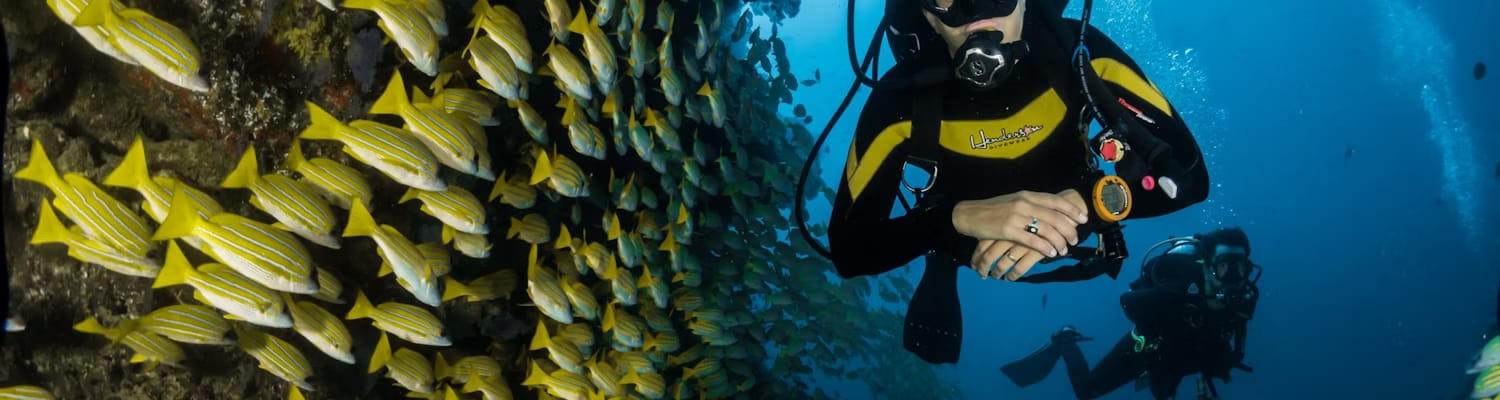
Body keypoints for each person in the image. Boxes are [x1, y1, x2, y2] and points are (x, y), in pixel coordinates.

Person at [824, 0, 1210, 363]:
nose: (975, 9)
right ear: (927, 15)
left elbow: (1189, 176)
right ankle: (942, 259)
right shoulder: (900, 102)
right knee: (943, 248)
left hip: (1075, 206)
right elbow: (850, 250)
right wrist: (952, 220)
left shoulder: (1079, 53)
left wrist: (1089, 205)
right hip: (960, 238)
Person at [1000, 227, 1260, 400]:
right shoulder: (1180, 284)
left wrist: (1220, 362)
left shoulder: (1240, 303)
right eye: (1226, 267)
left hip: (1180, 360)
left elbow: (1232, 344)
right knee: (1086, 391)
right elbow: (1128, 302)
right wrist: (1176, 300)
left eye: (1242, 269)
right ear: (1207, 266)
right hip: (1145, 348)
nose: (1235, 278)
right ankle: (1065, 340)